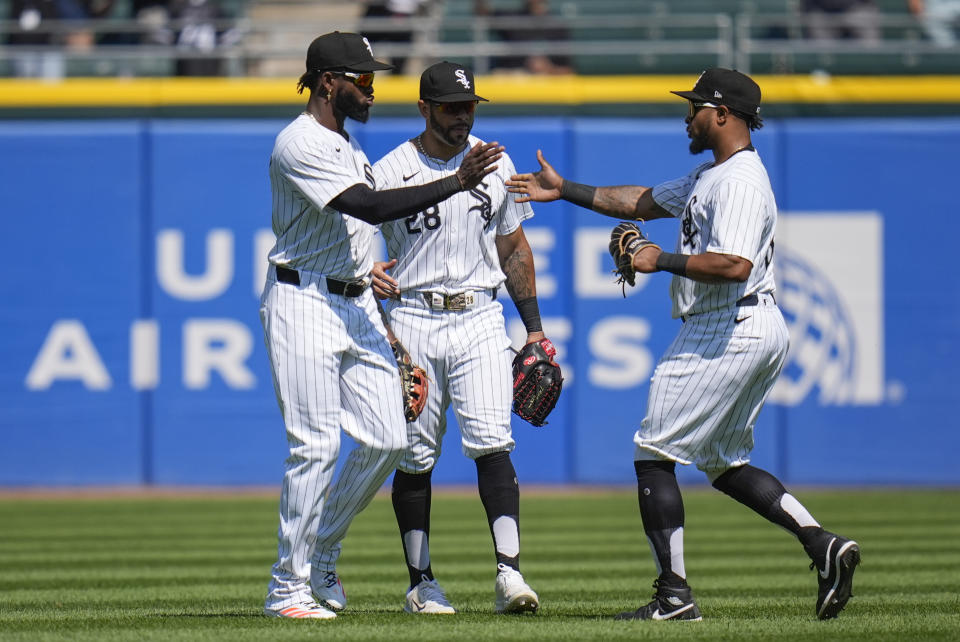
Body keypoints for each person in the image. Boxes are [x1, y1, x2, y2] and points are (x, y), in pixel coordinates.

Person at [506, 68, 861, 621]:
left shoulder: (740, 181)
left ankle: (674, 596)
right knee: (724, 463)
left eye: (696, 106)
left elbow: (734, 264)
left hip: (727, 327)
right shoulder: (710, 175)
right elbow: (640, 203)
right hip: (741, 326)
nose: (687, 115)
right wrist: (564, 189)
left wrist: (659, 259)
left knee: (654, 454)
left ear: (722, 115)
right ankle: (824, 546)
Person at [260, 32, 502, 620]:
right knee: (315, 445)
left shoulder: (346, 144)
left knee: (390, 437)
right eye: (361, 79)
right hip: (302, 302)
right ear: (327, 82)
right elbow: (368, 208)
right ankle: (287, 589)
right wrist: (458, 182)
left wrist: (369, 277)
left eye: (373, 79)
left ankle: (320, 549)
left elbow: (352, 230)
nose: (372, 89)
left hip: (352, 297)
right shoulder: (300, 141)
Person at [312, 61, 545, 616]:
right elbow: (352, 241)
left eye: (468, 106)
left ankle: (509, 574)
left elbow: (512, 247)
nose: (462, 116)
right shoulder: (391, 167)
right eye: (450, 107)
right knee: (414, 457)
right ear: (424, 108)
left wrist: (534, 329)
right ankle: (422, 581)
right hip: (413, 315)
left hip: (480, 315)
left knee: (493, 442)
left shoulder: (493, 160)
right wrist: (371, 283)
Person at [474, 0, 573, 74]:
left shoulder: (558, 27)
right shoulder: (511, 17)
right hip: (514, 78)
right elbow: (482, 12)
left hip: (546, 81)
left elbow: (568, 71)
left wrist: (548, 68)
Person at [801, 0, 882, 44]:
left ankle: (872, 71)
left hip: (857, 7)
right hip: (821, 11)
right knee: (822, 52)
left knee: (870, 43)